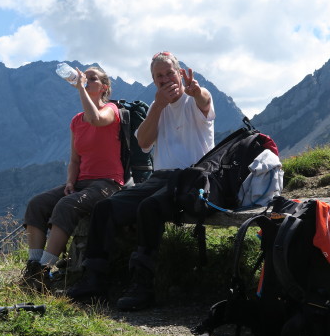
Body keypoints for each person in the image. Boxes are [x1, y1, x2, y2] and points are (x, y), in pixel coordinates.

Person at [66, 51, 215, 310]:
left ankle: (142, 284)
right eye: (159, 75)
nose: (166, 79)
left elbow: (205, 100)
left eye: (170, 72)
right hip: (160, 178)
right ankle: (94, 277)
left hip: (193, 178)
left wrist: (195, 91)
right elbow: (144, 142)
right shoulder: (157, 107)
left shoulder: (194, 100)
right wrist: (157, 105)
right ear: (154, 81)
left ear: (180, 73)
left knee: (150, 207)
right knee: (105, 207)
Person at [22, 66, 123, 290]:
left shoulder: (111, 110)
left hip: (108, 183)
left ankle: (44, 270)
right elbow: (75, 159)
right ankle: (33, 266)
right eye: (84, 76)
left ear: (104, 87)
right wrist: (70, 181)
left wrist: (80, 88)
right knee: (37, 204)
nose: (86, 79)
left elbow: (96, 119)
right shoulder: (76, 121)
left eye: (92, 78)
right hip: (80, 182)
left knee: (66, 205)